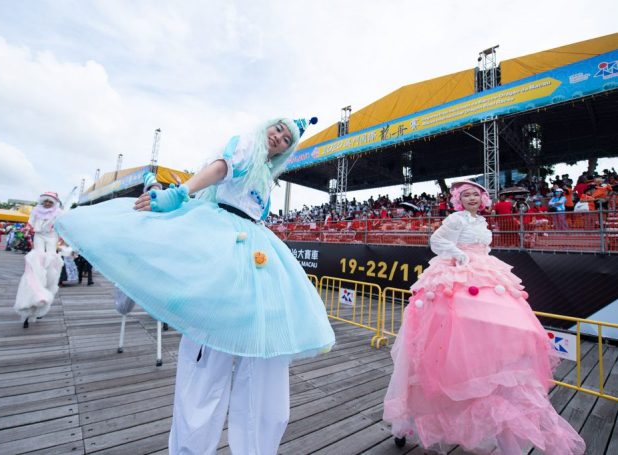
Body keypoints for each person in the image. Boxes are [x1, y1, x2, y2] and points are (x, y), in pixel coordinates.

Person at [55, 117, 335, 454]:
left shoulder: (266, 174)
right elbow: (220, 168)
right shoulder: (246, 146)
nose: (278, 137)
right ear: (266, 127)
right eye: (277, 129)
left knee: (260, 358)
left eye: (286, 138)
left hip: (257, 257)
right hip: (224, 250)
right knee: (209, 362)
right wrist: (180, 193)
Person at [383, 180, 585, 454]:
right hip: (457, 273)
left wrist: (478, 259)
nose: (472, 199)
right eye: (466, 196)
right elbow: (437, 241)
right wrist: (459, 256)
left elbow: (483, 247)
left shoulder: (480, 221)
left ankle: (491, 376)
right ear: (458, 200)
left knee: (501, 328)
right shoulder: (455, 219)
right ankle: (407, 421)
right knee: (439, 344)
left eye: (475, 195)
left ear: (483, 199)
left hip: (484, 272)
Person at [13, 192, 64, 328]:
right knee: (38, 255)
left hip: (52, 236)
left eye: (50, 202)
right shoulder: (36, 211)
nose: (47, 204)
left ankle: (48, 274)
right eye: (45, 201)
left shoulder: (58, 213)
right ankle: (36, 275)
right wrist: (27, 228)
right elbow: (30, 222)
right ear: (43, 201)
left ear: (54, 203)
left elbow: (61, 226)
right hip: (39, 235)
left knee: (51, 257)